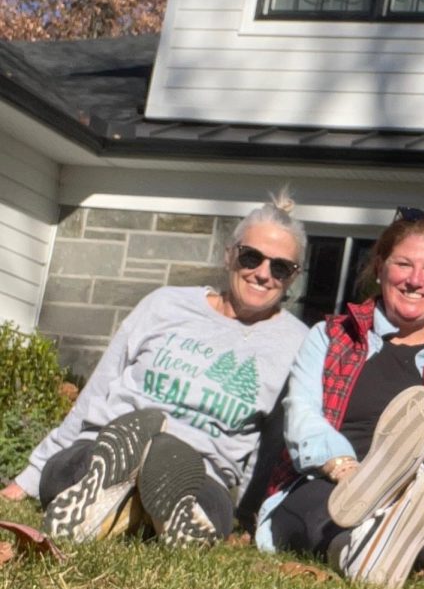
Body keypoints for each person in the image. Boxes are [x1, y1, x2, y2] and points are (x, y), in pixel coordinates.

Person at [0, 193, 310, 547]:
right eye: (251, 257)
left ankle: (124, 508)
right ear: (229, 254)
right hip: (108, 440)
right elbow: (98, 389)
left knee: (208, 503)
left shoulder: (295, 344)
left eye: (281, 267)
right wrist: (29, 476)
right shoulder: (165, 305)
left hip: (202, 468)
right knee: (73, 467)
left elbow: (270, 445)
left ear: (292, 279)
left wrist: (248, 515)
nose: (263, 274)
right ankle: (134, 503)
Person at [256, 207, 424, 589]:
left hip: (420, 495)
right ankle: (365, 549)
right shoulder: (330, 336)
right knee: (321, 512)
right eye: (403, 264)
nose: (415, 280)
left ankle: (373, 534)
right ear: (381, 268)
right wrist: (348, 471)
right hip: (335, 482)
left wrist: (414, 480)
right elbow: (303, 413)